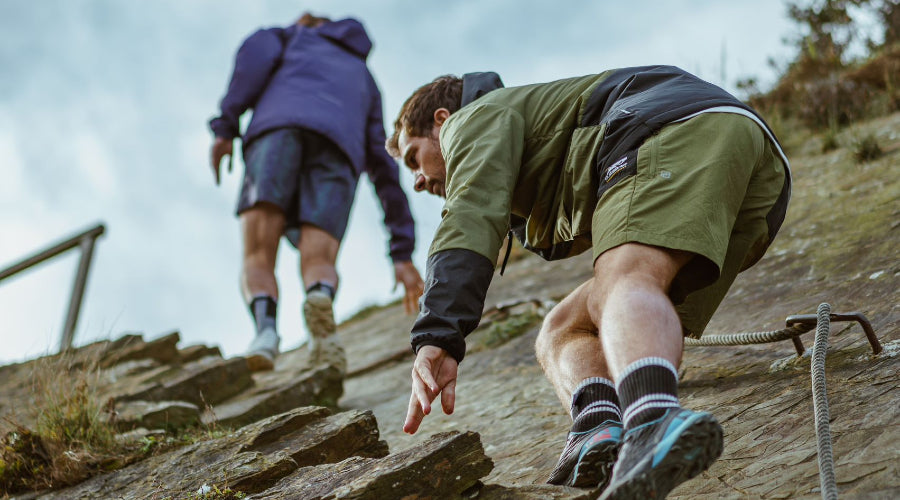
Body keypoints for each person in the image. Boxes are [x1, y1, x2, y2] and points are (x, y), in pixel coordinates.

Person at [387, 67, 790, 498]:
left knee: (624, 278)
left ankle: (652, 419)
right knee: (562, 327)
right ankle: (597, 431)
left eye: (413, 157)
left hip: (670, 132)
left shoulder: (473, 119)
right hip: (750, 174)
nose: (417, 180)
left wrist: (437, 336)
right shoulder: (527, 135)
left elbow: (469, 215)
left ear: (442, 120)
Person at [209, 13, 424, 373]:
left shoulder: (293, 36)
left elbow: (253, 63)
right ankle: (319, 297)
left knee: (259, 252)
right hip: (339, 152)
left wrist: (225, 127)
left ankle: (265, 334)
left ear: (314, 24)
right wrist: (401, 252)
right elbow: (384, 162)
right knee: (319, 259)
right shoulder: (365, 80)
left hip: (277, 132)